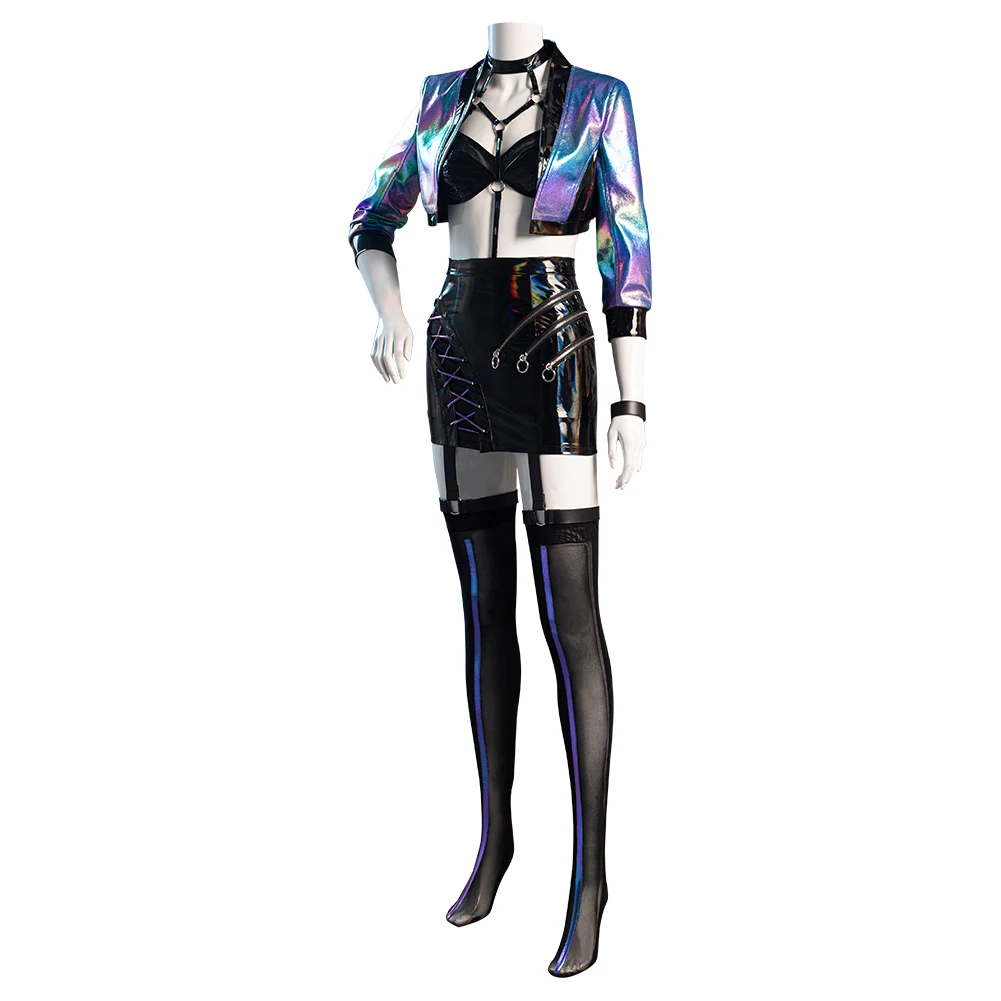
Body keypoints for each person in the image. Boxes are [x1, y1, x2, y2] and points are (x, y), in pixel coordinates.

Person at [347, 23, 651, 977]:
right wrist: (390, 311)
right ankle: (494, 841)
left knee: (571, 618)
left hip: (553, 341)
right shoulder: (441, 96)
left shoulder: (597, 98)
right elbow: (371, 217)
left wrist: (632, 400)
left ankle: (590, 878)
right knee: (484, 608)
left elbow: (627, 253)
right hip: (456, 348)